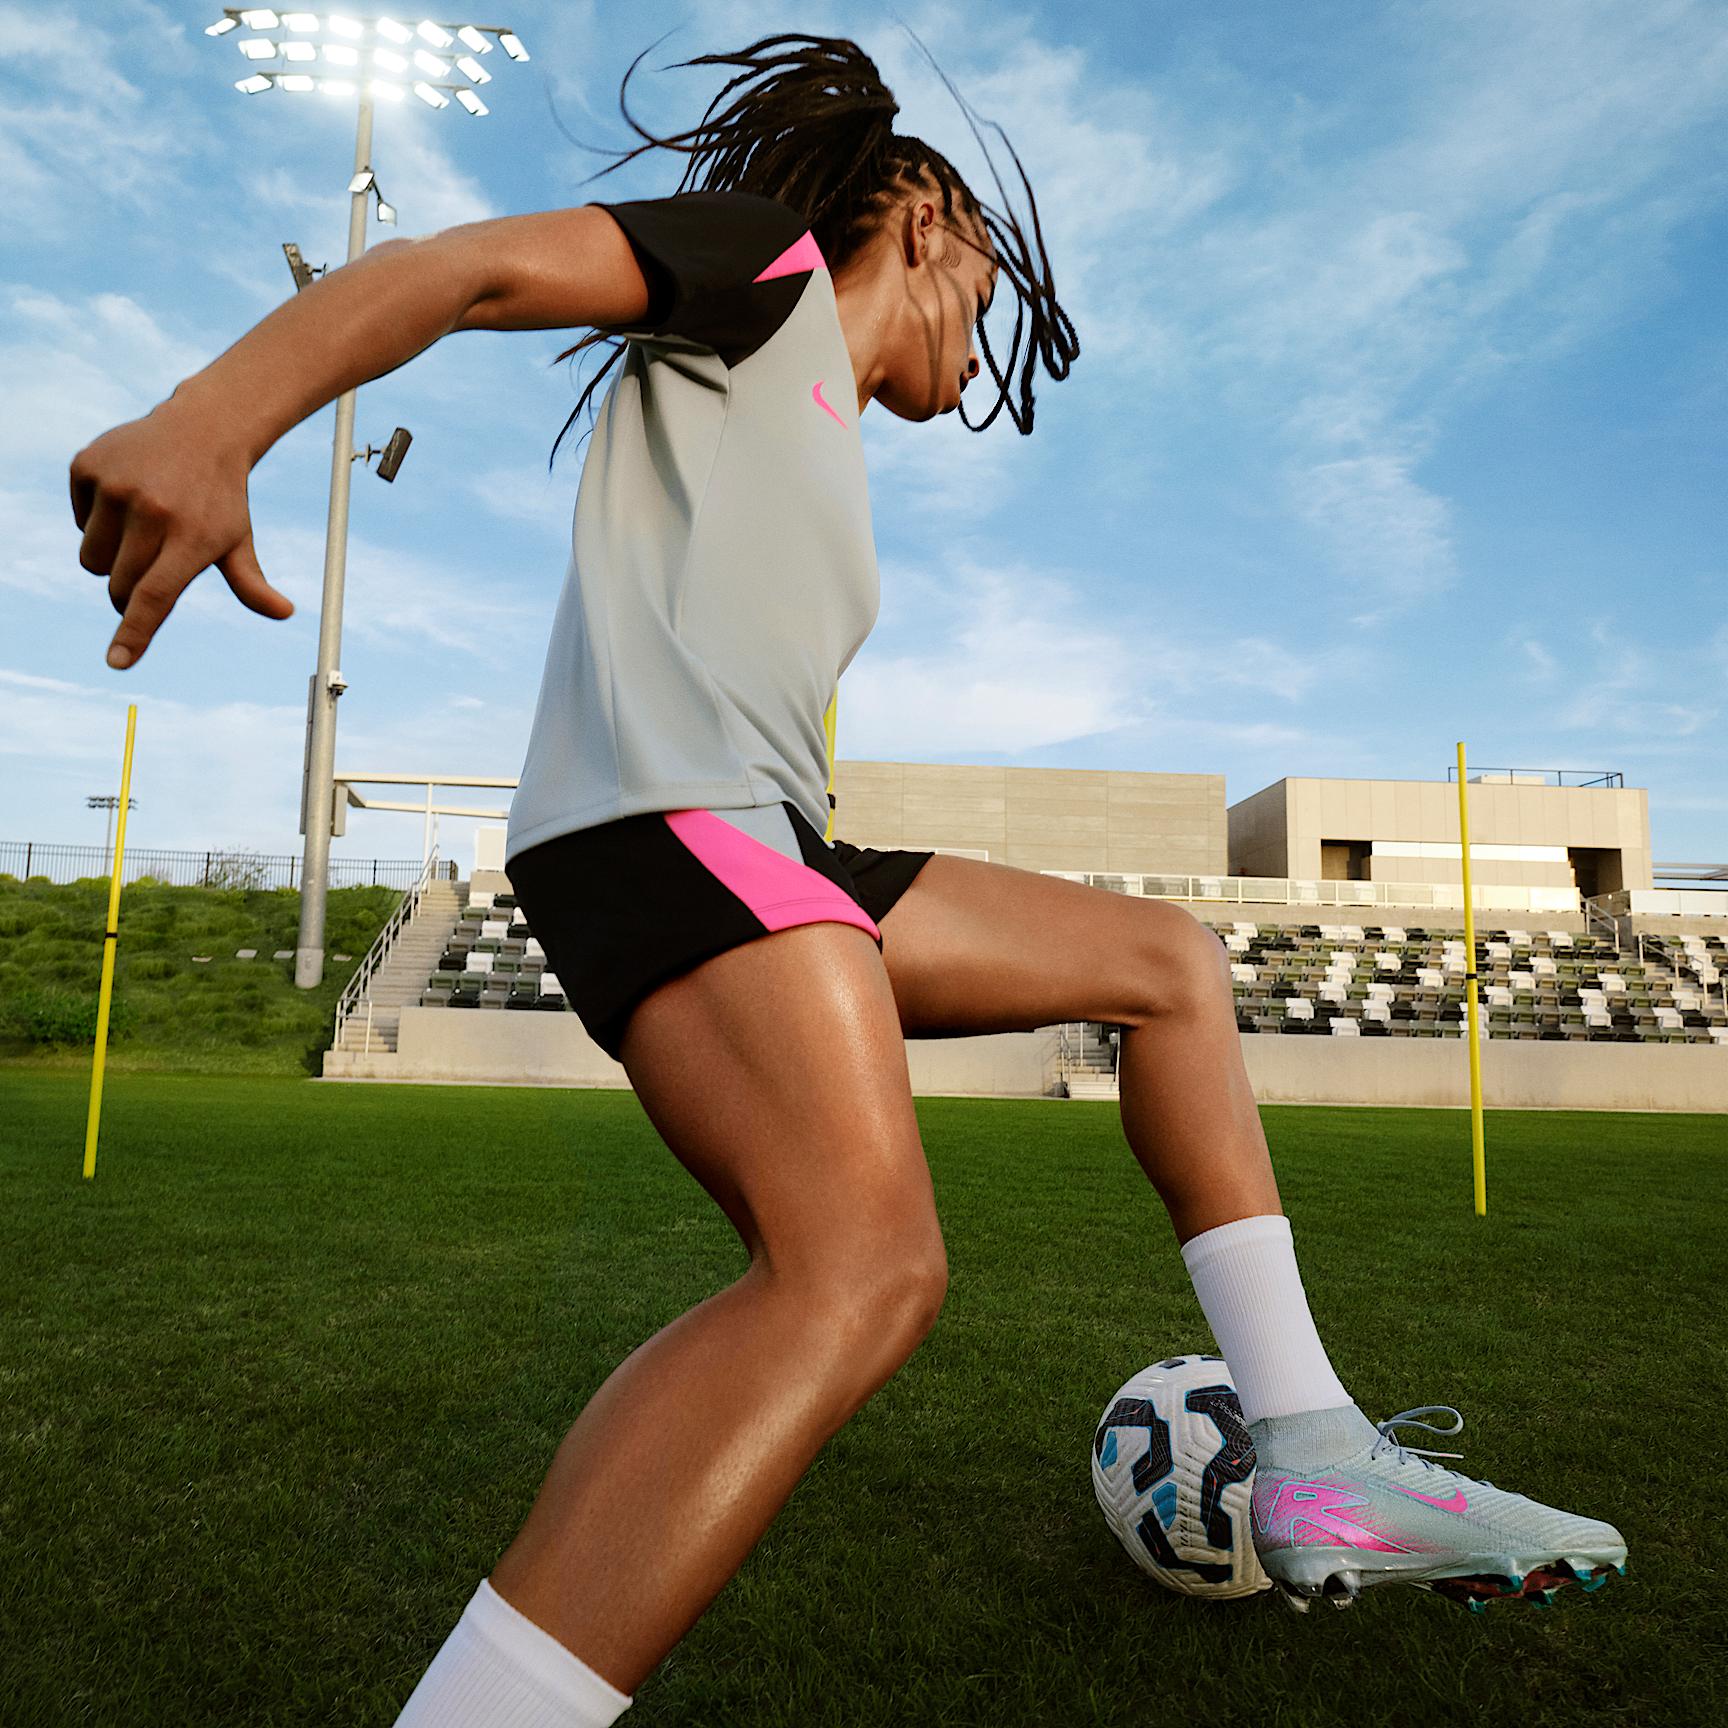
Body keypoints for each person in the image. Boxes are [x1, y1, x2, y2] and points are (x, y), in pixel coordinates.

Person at [68, 33, 1624, 1727]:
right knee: (855, 1273)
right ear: (927, 218)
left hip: (769, 837)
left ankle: (1318, 1455)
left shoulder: (793, 390)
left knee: (1169, 964)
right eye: (989, 280)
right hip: (674, 820)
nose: (986, 325)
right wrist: (210, 418)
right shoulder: (767, 266)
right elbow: (466, 266)